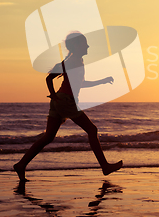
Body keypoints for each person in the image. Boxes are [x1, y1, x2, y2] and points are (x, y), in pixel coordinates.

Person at [14, 32, 123, 182]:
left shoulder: (76, 61)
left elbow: (80, 83)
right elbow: (49, 78)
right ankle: (104, 166)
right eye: (85, 43)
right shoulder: (72, 61)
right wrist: (53, 95)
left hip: (60, 100)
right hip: (65, 100)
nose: (88, 46)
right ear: (77, 46)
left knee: (48, 137)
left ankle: (21, 165)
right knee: (92, 130)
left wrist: (102, 81)